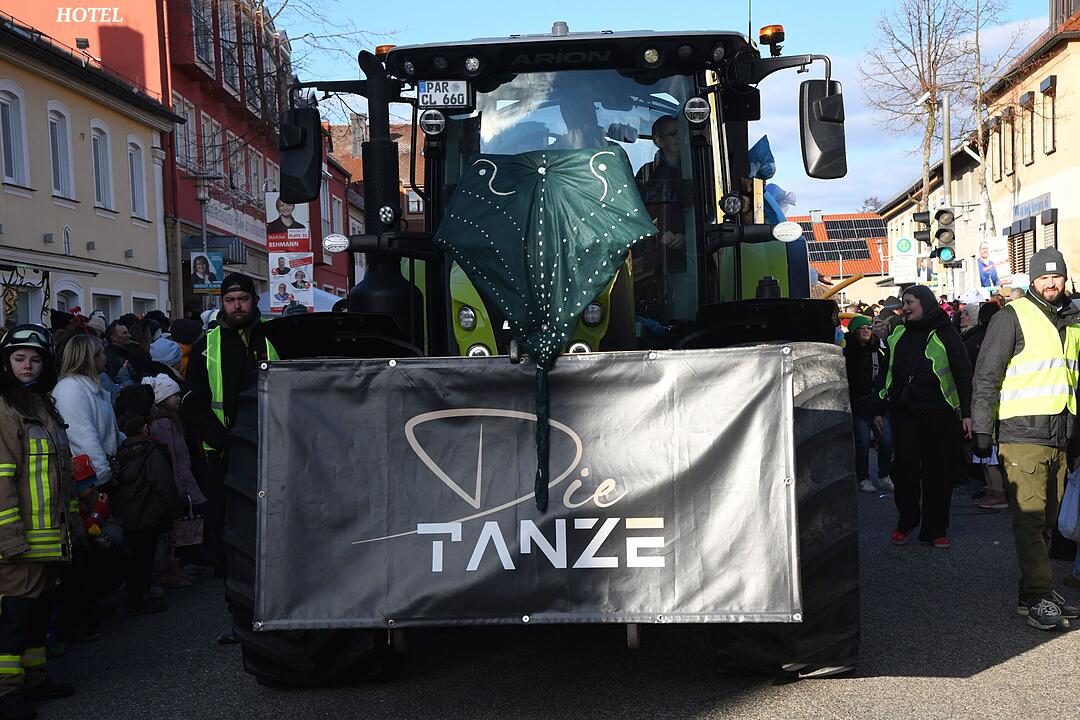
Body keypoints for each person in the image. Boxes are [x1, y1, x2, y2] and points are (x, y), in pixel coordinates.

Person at [971, 248, 1080, 630]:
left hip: (1062, 435)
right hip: (1023, 434)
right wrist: (983, 430)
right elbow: (987, 375)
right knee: (1031, 520)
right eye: (1044, 277)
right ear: (1032, 280)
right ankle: (1038, 595)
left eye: (1058, 277)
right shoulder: (1011, 317)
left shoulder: (1074, 320)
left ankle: (1033, 592)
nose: (1051, 283)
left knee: (1049, 520)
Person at [0, 325, 79, 717]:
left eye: (34, 360)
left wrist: (75, 530)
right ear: (5, 362)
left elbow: (61, 475)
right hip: (20, 538)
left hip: (50, 535)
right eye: (19, 359)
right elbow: (1, 480)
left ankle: (34, 679)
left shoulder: (43, 407)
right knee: (14, 616)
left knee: (37, 612)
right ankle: (6, 692)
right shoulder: (4, 409)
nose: (27, 366)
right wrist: (9, 538)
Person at [181, 275, 278, 592]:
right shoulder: (207, 347)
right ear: (222, 303)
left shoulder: (273, 338)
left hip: (275, 447)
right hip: (225, 455)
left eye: (243, 299)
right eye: (230, 300)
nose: (237, 306)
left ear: (255, 300)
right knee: (231, 531)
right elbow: (193, 404)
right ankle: (236, 602)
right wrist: (223, 441)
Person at [874, 285, 972, 550]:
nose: (904, 307)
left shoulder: (946, 333)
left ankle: (935, 529)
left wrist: (968, 413)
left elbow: (963, 374)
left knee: (938, 473)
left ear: (925, 303)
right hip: (904, 412)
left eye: (910, 302)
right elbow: (886, 373)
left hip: (939, 413)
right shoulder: (898, 334)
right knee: (904, 469)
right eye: (904, 302)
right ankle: (907, 521)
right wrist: (878, 409)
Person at [113, 397, 183, 616]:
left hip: (128, 514)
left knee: (135, 558)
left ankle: (136, 597)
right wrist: (175, 509)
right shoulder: (151, 452)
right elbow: (163, 483)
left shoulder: (120, 455)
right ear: (145, 428)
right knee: (145, 558)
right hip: (148, 512)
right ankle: (140, 600)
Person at [51, 335, 120, 493]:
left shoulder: (90, 387)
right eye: (101, 353)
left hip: (103, 472)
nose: (105, 357)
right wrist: (102, 473)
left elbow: (107, 432)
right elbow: (82, 436)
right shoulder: (71, 389)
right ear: (91, 358)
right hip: (89, 482)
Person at [843, 315, 893, 494]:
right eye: (861, 328)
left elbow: (884, 376)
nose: (866, 330)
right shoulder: (847, 352)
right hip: (858, 406)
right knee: (862, 444)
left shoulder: (879, 350)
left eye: (868, 327)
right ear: (855, 331)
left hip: (878, 404)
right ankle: (863, 477)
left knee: (886, 441)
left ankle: (884, 474)